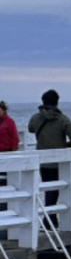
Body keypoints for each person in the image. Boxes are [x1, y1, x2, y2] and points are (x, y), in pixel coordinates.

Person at [28, 89, 71, 228]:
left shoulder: (36, 117)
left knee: (48, 188)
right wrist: (68, 146)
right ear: (57, 102)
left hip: (42, 160)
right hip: (59, 161)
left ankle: (50, 219)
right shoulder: (62, 119)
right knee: (55, 190)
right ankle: (49, 219)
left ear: (43, 101)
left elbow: (31, 129)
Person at [0, 101, 18, 238]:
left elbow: (14, 140)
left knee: (5, 186)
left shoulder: (9, 122)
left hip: (6, 155)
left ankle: (6, 217)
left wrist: (14, 157)